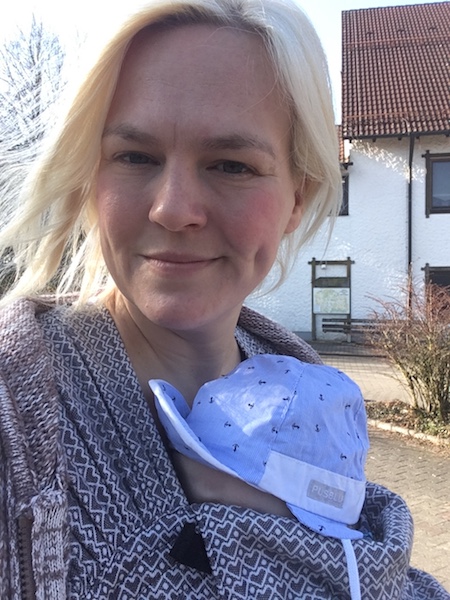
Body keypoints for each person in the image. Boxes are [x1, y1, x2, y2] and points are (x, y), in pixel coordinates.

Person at [0, 0, 447, 598]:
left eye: (231, 165)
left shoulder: (313, 402)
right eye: (135, 156)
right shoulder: (17, 414)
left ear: (297, 198)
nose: (173, 209)